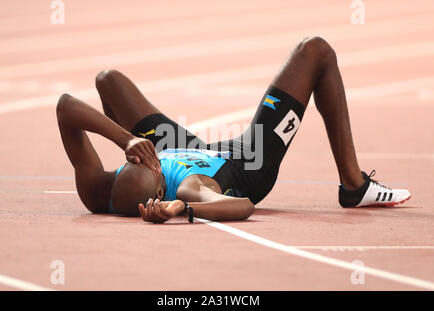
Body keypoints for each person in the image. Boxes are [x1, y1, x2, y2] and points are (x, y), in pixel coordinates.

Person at [56, 37, 411, 224]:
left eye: (132, 161)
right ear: (160, 185)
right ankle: (354, 185)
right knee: (316, 50)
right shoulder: (189, 187)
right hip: (244, 161)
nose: (145, 160)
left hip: (183, 147)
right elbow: (242, 206)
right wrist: (182, 208)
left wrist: (128, 139)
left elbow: (66, 106)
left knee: (108, 81)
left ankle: (138, 144)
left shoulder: (96, 190)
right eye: (148, 165)